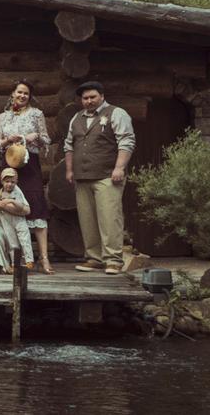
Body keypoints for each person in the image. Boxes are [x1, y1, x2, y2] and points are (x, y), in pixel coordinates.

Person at [64, 81, 136, 276]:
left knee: (109, 218)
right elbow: (69, 146)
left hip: (107, 176)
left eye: (92, 97)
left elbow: (127, 141)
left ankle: (113, 260)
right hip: (82, 177)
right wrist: (70, 170)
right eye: (85, 98)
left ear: (102, 96)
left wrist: (119, 167)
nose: (88, 101)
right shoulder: (76, 118)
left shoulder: (116, 113)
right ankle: (94, 258)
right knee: (87, 220)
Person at [0, 80, 53, 274]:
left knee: (35, 207)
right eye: (19, 92)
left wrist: (33, 136)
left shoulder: (36, 114)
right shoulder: (3, 116)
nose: (22, 96)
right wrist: (7, 140)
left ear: (29, 96)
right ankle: (18, 259)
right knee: (11, 207)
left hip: (30, 165)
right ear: (12, 94)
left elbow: (46, 140)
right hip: (9, 164)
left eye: (26, 93)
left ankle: (44, 258)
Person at [0, 168, 34, 271]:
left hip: (19, 219)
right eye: (7, 181)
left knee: (24, 239)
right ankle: (15, 263)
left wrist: (11, 201)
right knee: (12, 242)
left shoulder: (17, 192)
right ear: (2, 181)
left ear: (16, 182)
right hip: (6, 220)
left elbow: (21, 207)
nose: (9, 184)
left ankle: (29, 260)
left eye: (12, 182)